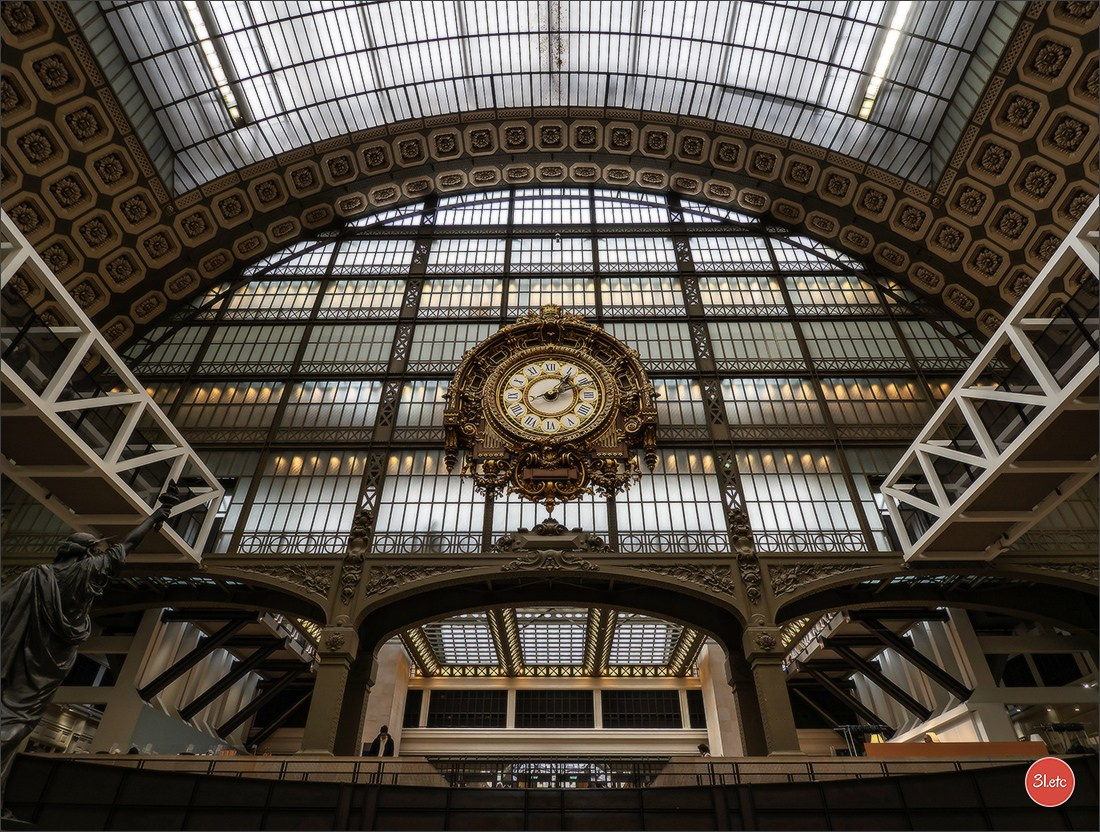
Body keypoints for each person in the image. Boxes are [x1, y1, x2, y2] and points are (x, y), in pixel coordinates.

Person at [1, 487, 177, 783]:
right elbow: (129, 544)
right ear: (89, 552)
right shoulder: (90, 571)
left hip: (21, 648)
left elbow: (4, 605)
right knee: (21, 717)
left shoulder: (35, 576)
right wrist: (157, 516)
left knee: (11, 710)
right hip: (51, 657)